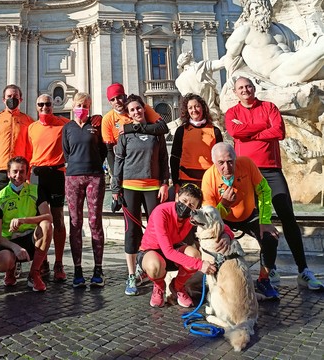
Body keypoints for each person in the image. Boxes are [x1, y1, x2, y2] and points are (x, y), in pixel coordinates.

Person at [226, 77, 324, 291]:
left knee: (288, 216)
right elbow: (235, 133)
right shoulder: (232, 113)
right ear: (235, 92)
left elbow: (278, 132)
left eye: (248, 86)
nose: (245, 90)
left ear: (254, 88)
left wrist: (250, 130)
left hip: (271, 170)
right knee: (258, 220)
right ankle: (268, 269)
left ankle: (303, 270)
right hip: (246, 172)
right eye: (241, 88)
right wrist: (263, 128)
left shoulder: (269, 106)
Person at [202, 142, 280, 300]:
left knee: (270, 238)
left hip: (249, 214)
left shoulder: (247, 164)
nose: (227, 167)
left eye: (230, 161)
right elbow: (210, 216)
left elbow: (264, 190)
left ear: (236, 158)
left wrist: (265, 220)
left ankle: (264, 279)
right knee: (214, 243)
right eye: (221, 163)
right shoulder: (208, 178)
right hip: (223, 219)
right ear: (214, 162)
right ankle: (216, 281)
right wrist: (224, 204)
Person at [111, 94, 170, 296]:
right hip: (130, 187)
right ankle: (131, 274)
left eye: (138, 108)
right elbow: (118, 162)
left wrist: (164, 183)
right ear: (128, 114)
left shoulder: (156, 132)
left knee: (156, 231)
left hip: (153, 186)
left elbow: (164, 159)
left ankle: (157, 273)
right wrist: (115, 189)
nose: (136, 112)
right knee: (131, 231)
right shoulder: (124, 135)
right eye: (132, 110)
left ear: (144, 109)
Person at [137, 183, 220, 308]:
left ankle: (177, 286)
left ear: (196, 208)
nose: (186, 206)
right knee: (155, 266)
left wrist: (228, 235)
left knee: (195, 255)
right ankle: (159, 286)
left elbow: (215, 220)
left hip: (173, 248)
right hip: (151, 251)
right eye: (184, 201)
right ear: (177, 197)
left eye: (191, 205)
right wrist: (200, 265)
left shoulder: (191, 217)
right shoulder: (162, 212)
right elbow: (168, 251)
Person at [224, 0, 324, 87]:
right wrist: (234, 78)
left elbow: (301, 46)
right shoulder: (245, 30)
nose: (255, 11)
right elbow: (230, 56)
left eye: (258, 7)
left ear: (267, 8)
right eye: (252, 10)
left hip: (296, 65)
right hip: (279, 73)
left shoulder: (280, 28)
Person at [62, 92, 107, 288]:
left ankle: (98, 269)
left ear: (90, 107)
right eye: (79, 104)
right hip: (73, 177)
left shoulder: (96, 126)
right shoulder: (68, 128)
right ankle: (78, 269)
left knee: (95, 221)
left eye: (86, 105)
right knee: (75, 222)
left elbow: (103, 150)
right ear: (73, 106)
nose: (82, 108)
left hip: (95, 176)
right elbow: (66, 152)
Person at [0, 156, 52, 292]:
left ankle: (34, 273)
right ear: (8, 174)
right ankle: (10, 270)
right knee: (2, 262)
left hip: (31, 237)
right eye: (15, 172)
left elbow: (48, 217)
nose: (18, 176)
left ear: (27, 173)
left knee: (46, 226)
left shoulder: (35, 190)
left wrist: (23, 220)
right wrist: (15, 247)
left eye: (22, 172)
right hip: (10, 241)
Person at [27, 94, 70, 282]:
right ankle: (41, 259)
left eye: (48, 104)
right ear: (36, 107)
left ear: (54, 105)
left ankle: (58, 262)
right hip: (37, 175)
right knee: (40, 220)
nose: (45, 107)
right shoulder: (31, 128)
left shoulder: (64, 124)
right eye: (41, 104)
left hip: (57, 174)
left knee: (58, 218)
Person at [101, 82, 168, 177]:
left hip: (148, 163)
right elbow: (109, 150)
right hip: (126, 167)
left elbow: (163, 127)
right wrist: (116, 175)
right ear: (110, 102)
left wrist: (130, 127)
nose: (117, 101)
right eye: (113, 99)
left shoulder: (141, 108)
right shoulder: (107, 119)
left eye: (119, 97)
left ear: (125, 96)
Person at [170, 94, 222, 188]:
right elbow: (174, 158)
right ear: (187, 111)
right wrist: (176, 183)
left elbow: (220, 158)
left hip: (209, 178)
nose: (194, 110)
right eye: (190, 108)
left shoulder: (215, 131)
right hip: (186, 179)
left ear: (203, 108)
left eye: (197, 106)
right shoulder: (181, 131)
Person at [175, 51, 225, 124]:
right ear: (191, 59)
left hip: (195, 118)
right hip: (212, 115)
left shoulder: (178, 81)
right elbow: (222, 63)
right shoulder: (201, 67)